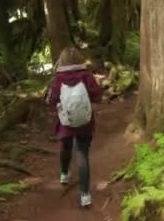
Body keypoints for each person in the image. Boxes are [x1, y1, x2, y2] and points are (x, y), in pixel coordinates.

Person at [48, 47, 101, 208]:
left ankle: (64, 174)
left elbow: (53, 100)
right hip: (85, 121)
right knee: (82, 154)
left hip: (66, 121)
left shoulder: (58, 78)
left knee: (65, 145)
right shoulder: (86, 75)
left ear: (62, 61)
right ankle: (85, 195)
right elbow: (96, 95)